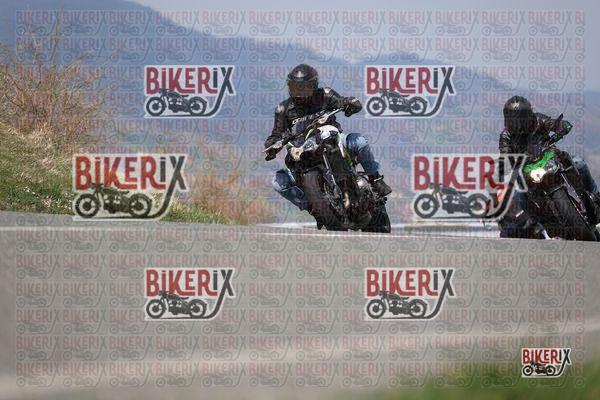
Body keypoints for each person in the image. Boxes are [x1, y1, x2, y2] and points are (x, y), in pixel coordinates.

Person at [264, 64, 392, 211]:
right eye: (296, 87)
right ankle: (312, 207)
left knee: (360, 142)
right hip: (302, 150)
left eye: (304, 88)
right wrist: (272, 146)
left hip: (332, 139)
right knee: (278, 182)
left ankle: (375, 179)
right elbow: (276, 134)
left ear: (314, 85)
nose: (300, 93)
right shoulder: (283, 109)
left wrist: (350, 103)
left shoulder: (325, 95)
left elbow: (342, 101)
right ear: (289, 86)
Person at [498, 95, 600, 237]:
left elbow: (552, 124)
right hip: (528, 169)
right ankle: (545, 223)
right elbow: (505, 154)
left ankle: (596, 197)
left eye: (520, 118)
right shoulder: (506, 136)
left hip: (549, 157)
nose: (518, 123)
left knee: (580, 164)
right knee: (520, 196)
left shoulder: (538, 120)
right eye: (514, 119)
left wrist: (561, 125)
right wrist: (505, 163)